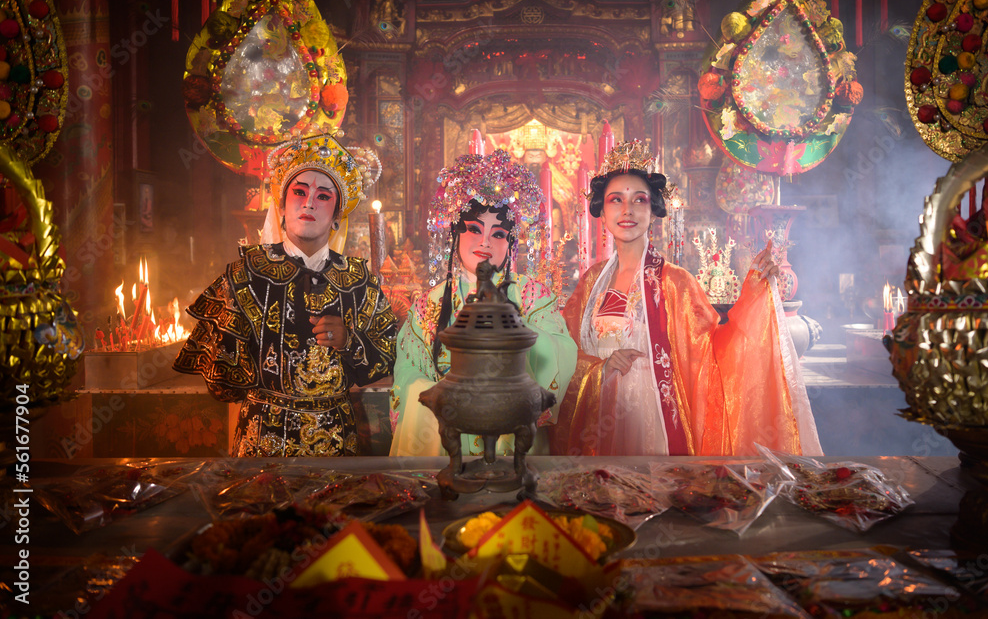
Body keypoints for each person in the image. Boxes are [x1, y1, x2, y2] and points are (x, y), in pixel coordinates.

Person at [553, 140, 821, 456]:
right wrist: (601, 368)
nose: (627, 210)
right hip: (599, 417)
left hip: (653, 421)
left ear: (653, 210)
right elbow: (563, 353)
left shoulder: (676, 281)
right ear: (603, 209)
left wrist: (754, 296)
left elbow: (713, 356)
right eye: (616, 200)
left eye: (639, 200)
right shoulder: (591, 284)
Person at [174, 134, 398, 456]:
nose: (309, 203)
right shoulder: (245, 276)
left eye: (323, 196)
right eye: (299, 191)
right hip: (263, 442)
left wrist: (350, 339)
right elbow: (221, 383)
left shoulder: (359, 281)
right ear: (281, 205)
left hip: (337, 443)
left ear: (337, 215)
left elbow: (388, 355)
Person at [390, 149, 577, 456]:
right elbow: (408, 373)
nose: (485, 242)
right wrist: (447, 399)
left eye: (499, 233)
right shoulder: (427, 306)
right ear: (455, 233)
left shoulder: (534, 297)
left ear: (512, 243)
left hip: (513, 435)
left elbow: (562, 353)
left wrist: (513, 331)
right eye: (475, 229)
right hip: (445, 433)